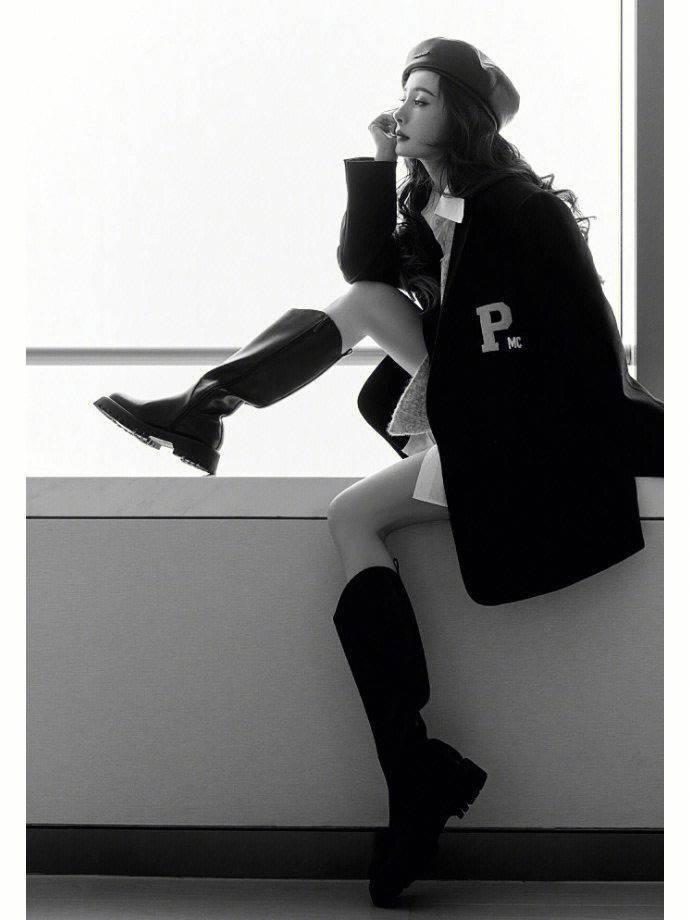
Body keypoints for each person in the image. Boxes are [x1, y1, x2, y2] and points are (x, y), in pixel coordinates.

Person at [93, 37, 664, 908]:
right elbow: (363, 273)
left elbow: (591, 345)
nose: (405, 109)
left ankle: (415, 771)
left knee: (353, 513)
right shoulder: (437, 209)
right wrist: (379, 164)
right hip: (475, 411)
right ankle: (207, 407)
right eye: (404, 95)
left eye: (423, 98)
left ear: (463, 113)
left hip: (525, 437)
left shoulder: (523, 209)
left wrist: (623, 436)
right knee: (362, 334)